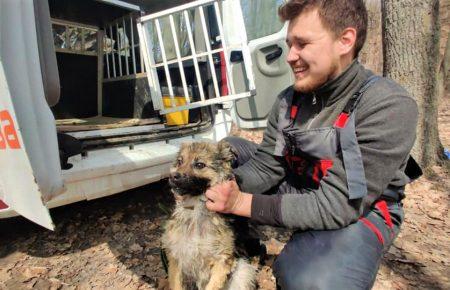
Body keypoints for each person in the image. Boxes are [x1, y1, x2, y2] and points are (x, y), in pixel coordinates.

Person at [204, 0, 422, 289]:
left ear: (345, 41)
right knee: (229, 152)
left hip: (358, 210)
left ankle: (313, 253)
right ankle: (243, 243)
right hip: (301, 186)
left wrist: (239, 202)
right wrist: (224, 184)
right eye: (289, 44)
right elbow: (267, 165)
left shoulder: (387, 105)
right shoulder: (288, 100)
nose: (290, 56)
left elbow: (338, 205)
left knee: (313, 282)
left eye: (302, 44)